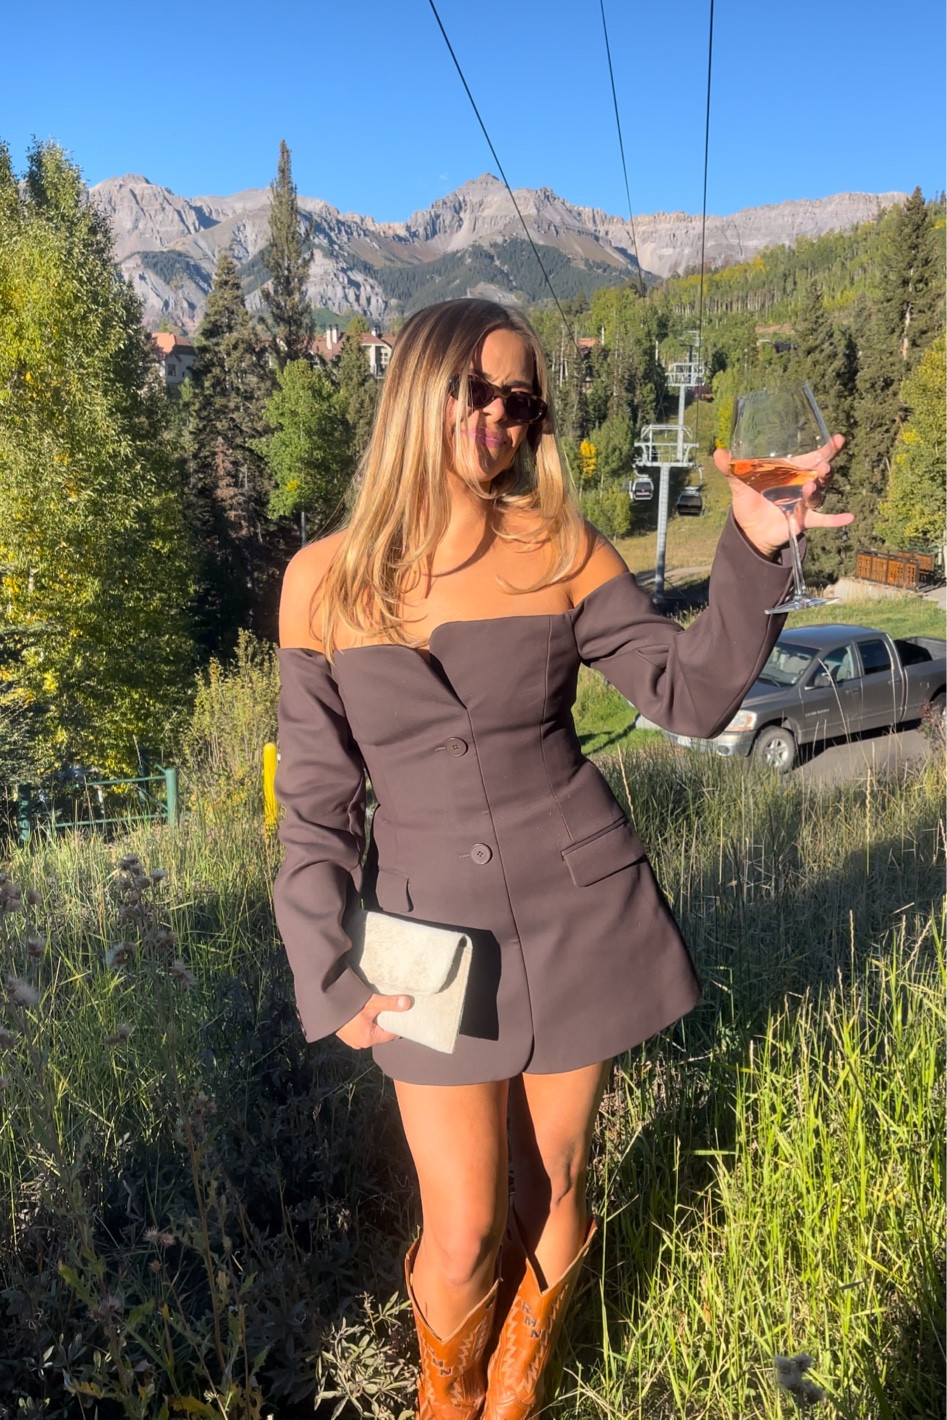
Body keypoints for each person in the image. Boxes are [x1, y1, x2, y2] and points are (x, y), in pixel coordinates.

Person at [274, 298, 849, 1420]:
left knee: (556, 1182)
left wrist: (753, 547)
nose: (500, 418)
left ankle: (514, 1395)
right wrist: (323, 966)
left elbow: (689, 693)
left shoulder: (561, 550)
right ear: (418, 388)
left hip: (574, 912)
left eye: (523, 403)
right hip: (424, 943)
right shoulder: (322, 582)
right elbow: (314, 806)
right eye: (478, 391)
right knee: (460, 1227)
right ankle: (447, 1400)